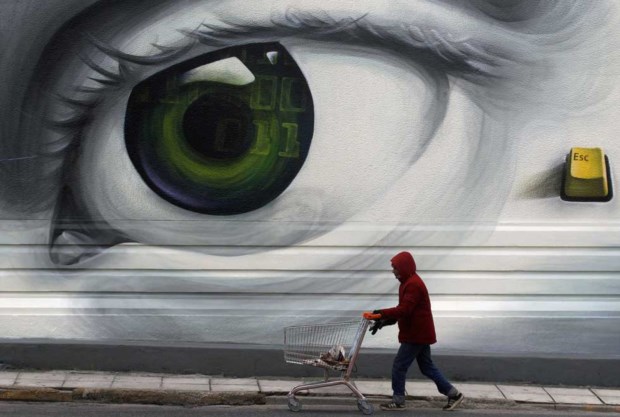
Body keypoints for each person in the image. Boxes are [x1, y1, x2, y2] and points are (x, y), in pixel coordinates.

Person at [364, 251, 464, 411]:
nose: (393, 271)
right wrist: (384, 321)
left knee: (399, 365)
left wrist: (381, 313)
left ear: (404, 267)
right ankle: (454, 394)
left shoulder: (413, 285)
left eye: (395, 268)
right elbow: (405, 310)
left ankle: (398, 401)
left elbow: (404, 310)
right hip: (419, 333)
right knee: (427, 367)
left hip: (416, 335)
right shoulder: (407, 282)